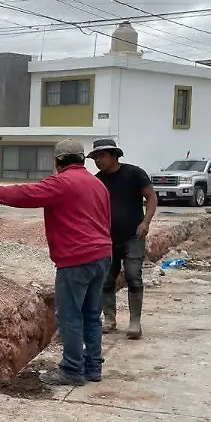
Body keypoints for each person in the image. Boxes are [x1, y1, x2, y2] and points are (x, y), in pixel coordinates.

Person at [0, 139, 113, 386]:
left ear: (58, 162)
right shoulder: (98, 185)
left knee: (70, 316)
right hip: (101, 257)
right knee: (91, 314)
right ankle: (93, 367)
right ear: (81, 159)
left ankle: (72, 371)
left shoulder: (62, 183)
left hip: (76, 260)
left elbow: (23, 194)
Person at [88, 138, 157, 339]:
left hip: (133, 236)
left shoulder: (134, 174)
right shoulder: (97, 180)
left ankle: (135, 321)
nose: (98, 160)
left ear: (114, 155)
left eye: (102, 156)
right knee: (106, 279)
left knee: (133, 275)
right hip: (107, 238)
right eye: (95, 157)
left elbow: (151, 197)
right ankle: (109, 319)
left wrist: (146, 222)